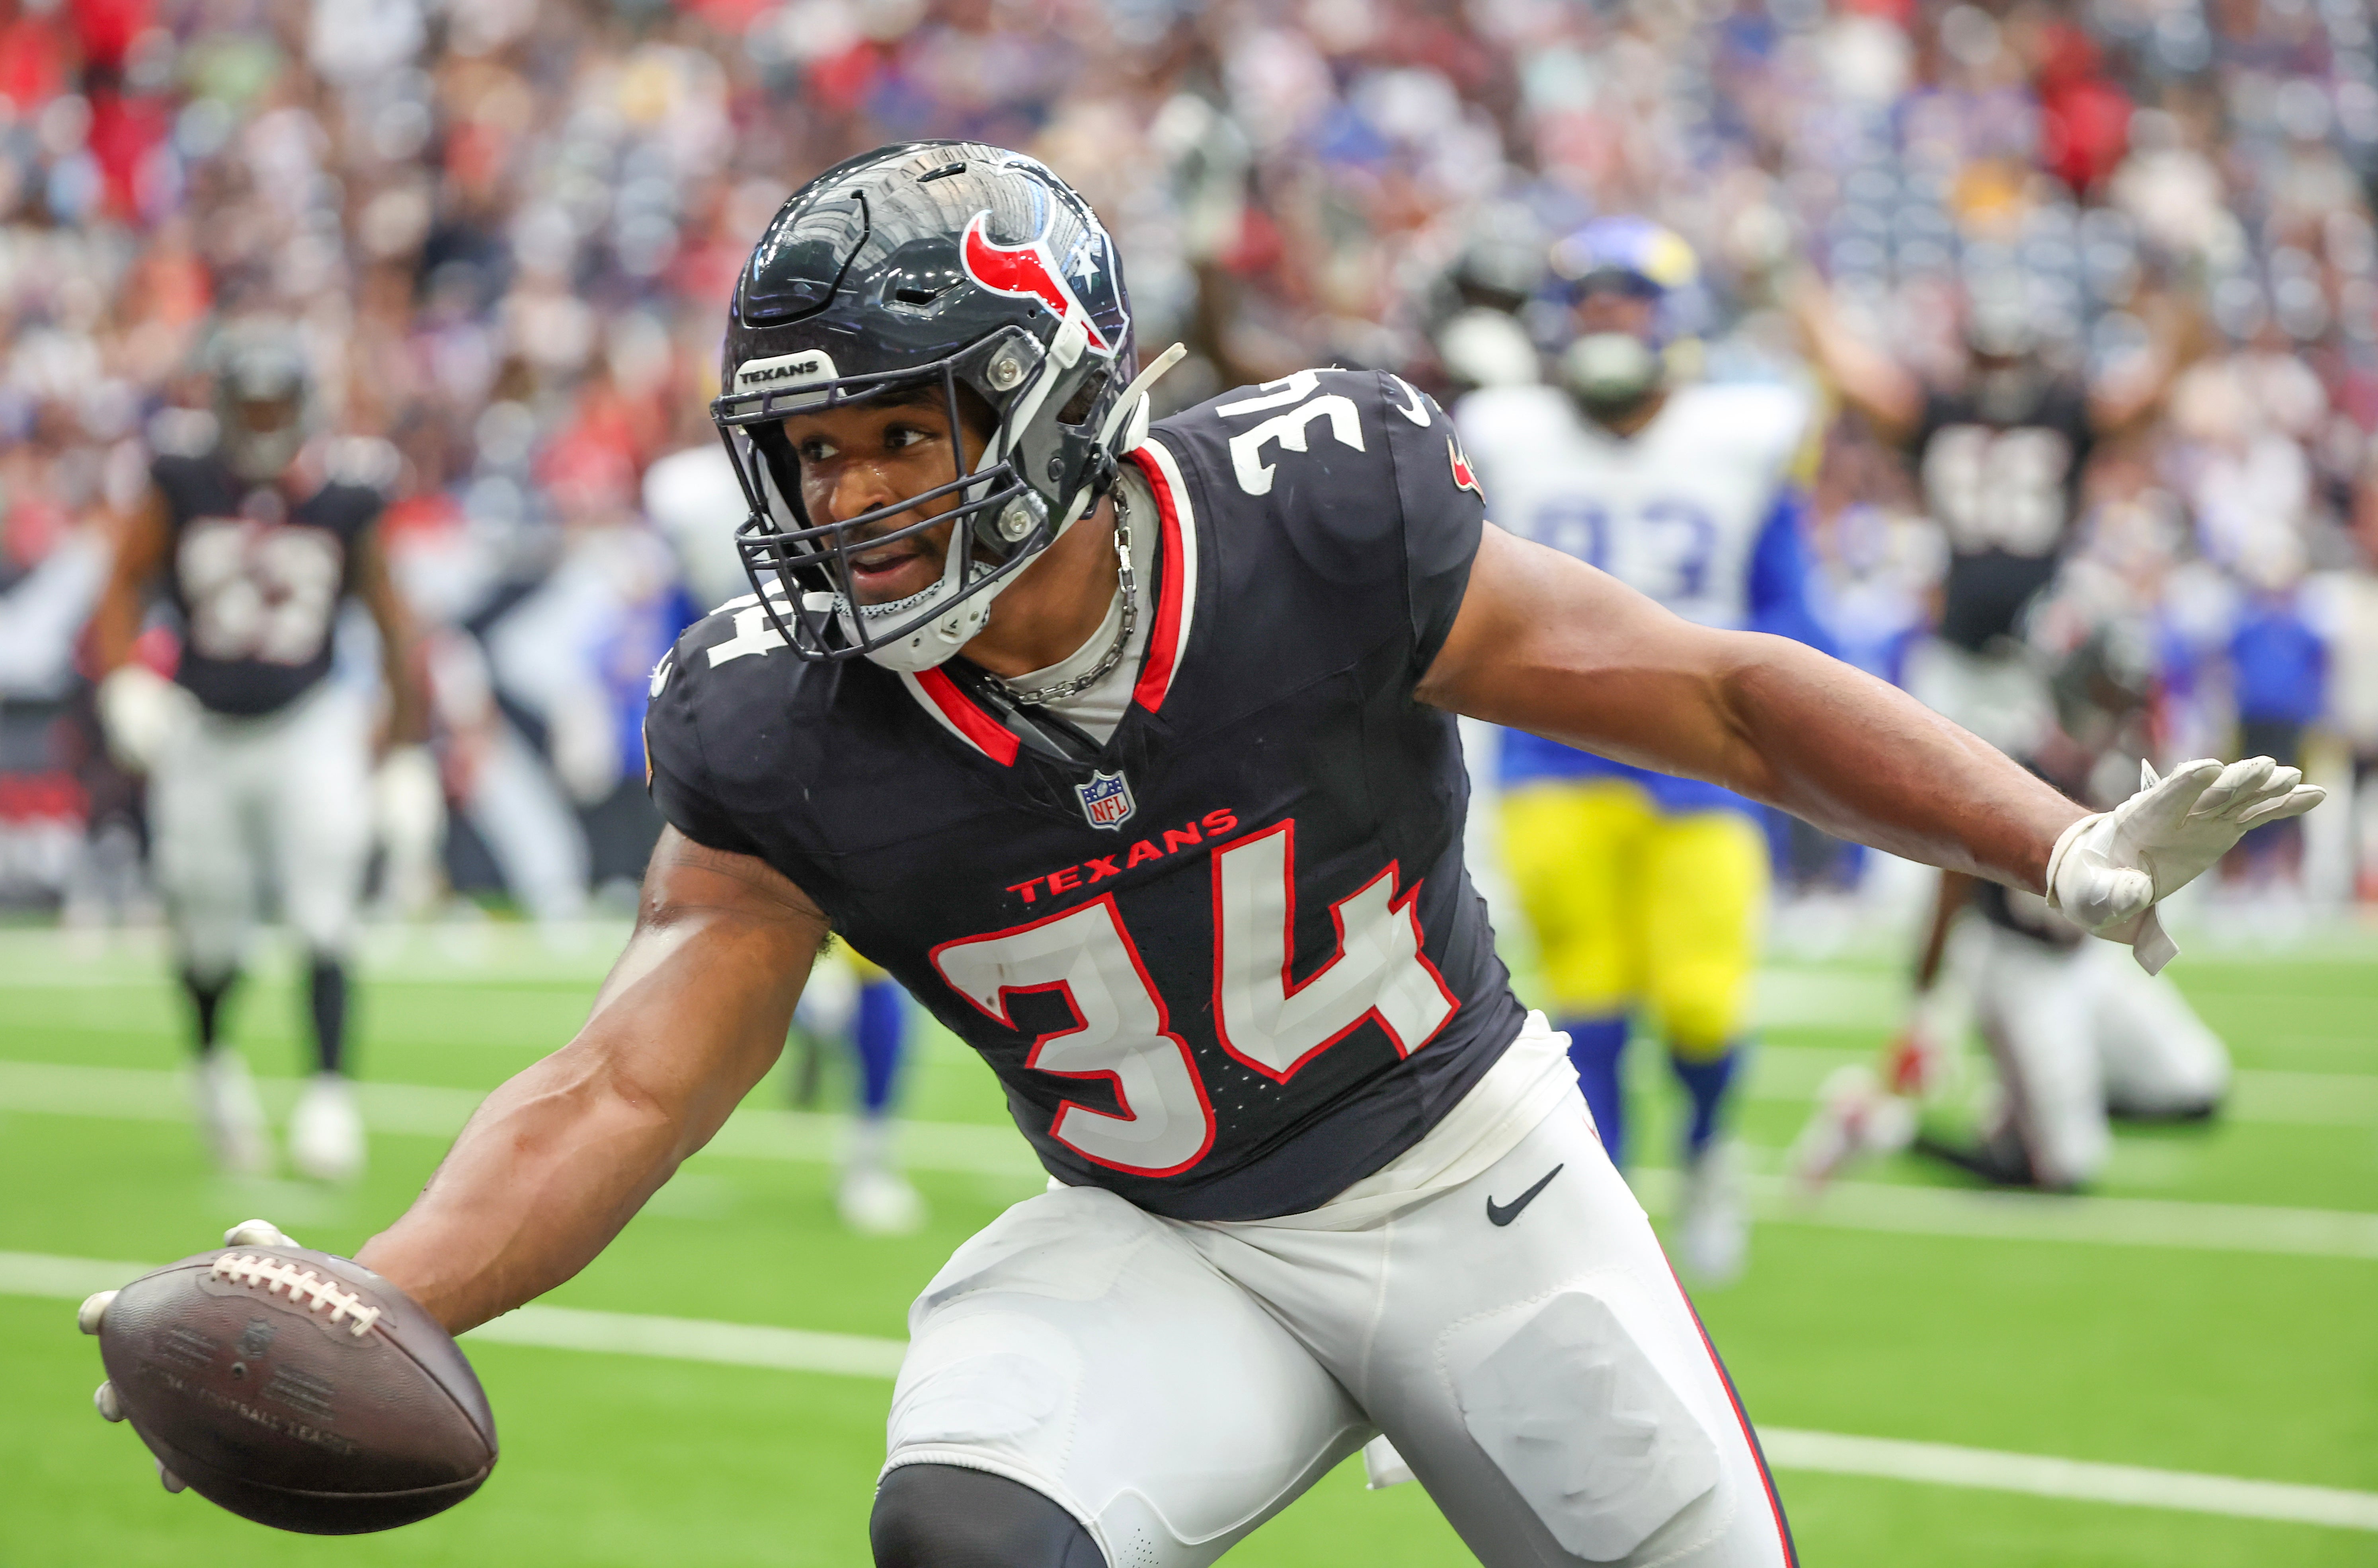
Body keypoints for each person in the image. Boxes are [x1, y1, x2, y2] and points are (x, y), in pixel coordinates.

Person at [115, 146, 2315, 1568]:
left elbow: (1716, 692)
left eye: (899, 434)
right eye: (810, 450)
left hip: (1478, 1186)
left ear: (1054, 403)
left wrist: (2044, 836)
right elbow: (621, 1080)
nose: (848, 500)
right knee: (970, 1537)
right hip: (1165, 1239)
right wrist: (374, 1293)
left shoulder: (1313, 515)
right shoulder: (775, 721)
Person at [1456, 218, 1833, 1284]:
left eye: (1628, 304)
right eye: (1590, 304)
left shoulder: (1743, 435)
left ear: (1677, 323)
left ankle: (1709, 1152)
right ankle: (1612, 1208)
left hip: (1703, 759)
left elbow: (1789, 607)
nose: (1608, 323)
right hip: (1555, 755)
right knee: (1591, 1001)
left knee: (1704, 998)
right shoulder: (1503, 430)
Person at [87, 320, 435, 1182]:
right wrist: (125, 679)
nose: (264, 420)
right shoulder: (181, 480)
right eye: (250, 405)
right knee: (210, 928)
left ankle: (329, 1096)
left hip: (308, 722)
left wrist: (403, 749)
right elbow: (121, 582)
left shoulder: (348, 494)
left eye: (277, 404)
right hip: (203, 728)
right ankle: (212, 1064)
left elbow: (393, 623)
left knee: (325, 910)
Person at [1791, 623, 2232, 1192]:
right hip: (2018, 968)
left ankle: (2030, 1111)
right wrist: (1922, 1010)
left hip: (2085, 959)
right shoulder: (2020, 757)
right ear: (2084, 690)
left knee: (2198, 1088)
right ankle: (1876, 1127)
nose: (2127, 714)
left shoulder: (2121, 763)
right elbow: (1953, 884)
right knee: (2065, 1171)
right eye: (2116, 698)